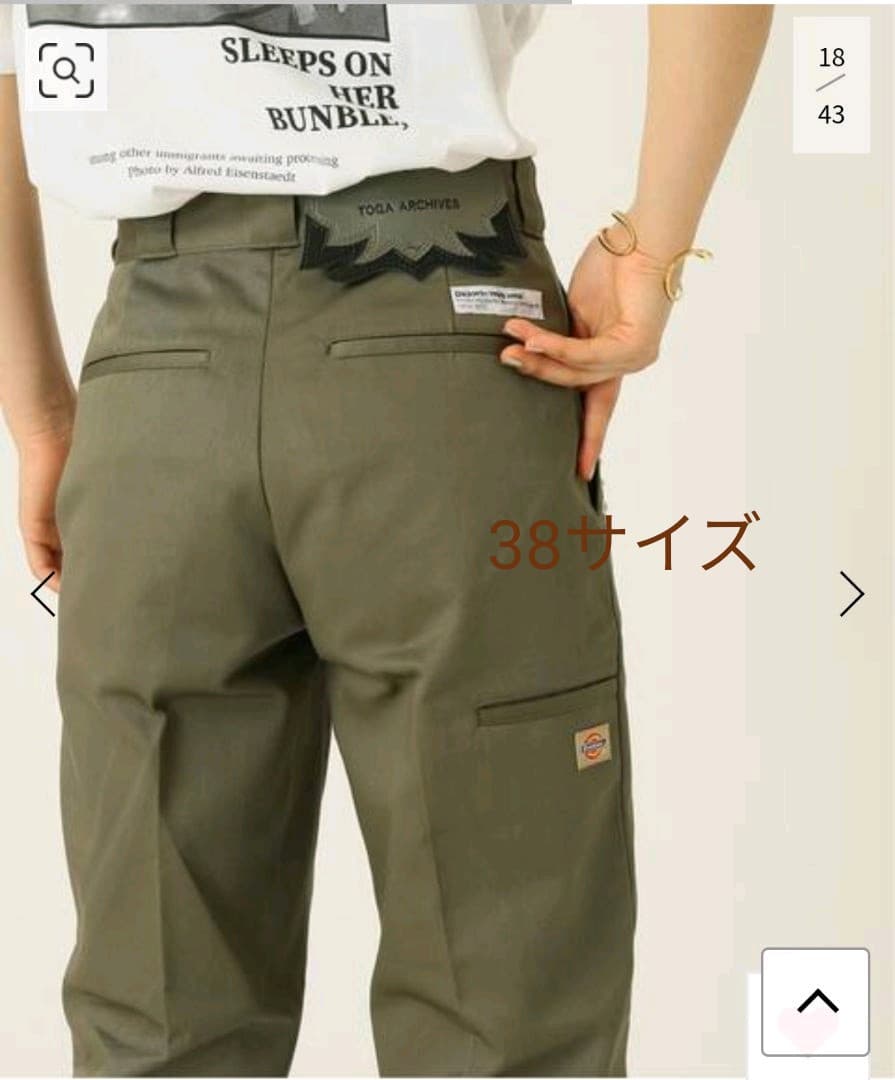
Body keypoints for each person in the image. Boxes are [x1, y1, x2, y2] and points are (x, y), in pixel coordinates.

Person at [0, 4, 773, 1076]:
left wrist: (40, 411)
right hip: (447, 335)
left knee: (158, 1023)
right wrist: (648, 252)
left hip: (156, 376)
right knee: (507, 1010)